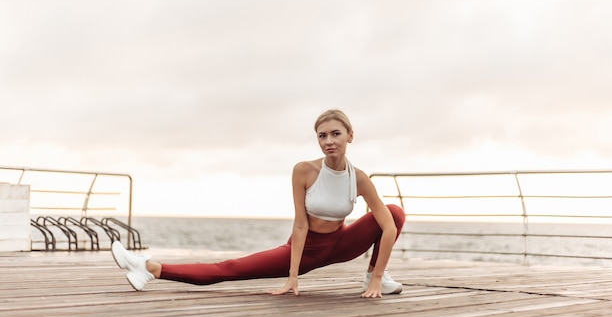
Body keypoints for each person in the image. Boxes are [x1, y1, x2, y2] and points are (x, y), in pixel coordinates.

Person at [111, 108, 405, 298]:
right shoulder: (305, 171)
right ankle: (149, 267)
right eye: (322, 135)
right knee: (229, 268)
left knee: (393, 212)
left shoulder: (360, 178)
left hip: (342, 245)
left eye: (336, 134)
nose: (329, 141)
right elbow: (301, 224)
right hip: (305, 250)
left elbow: (388, 227)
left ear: (350, 136)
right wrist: (293, 276)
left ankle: (371, 278)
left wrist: (377, 277)